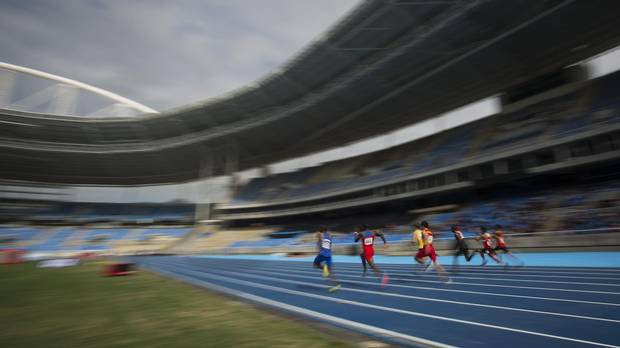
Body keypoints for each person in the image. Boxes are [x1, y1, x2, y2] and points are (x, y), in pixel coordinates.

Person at [313, 226, 341, 292]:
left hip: (322, 254)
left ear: (321, 230)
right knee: (330, 271)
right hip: (329, 255)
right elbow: (330, 245)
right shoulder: (330, 236)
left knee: (315, 265)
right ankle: (336, 285)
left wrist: (318, 250)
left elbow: (318, 241)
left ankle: (324, 268)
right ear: (327, 230)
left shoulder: (320, 234)